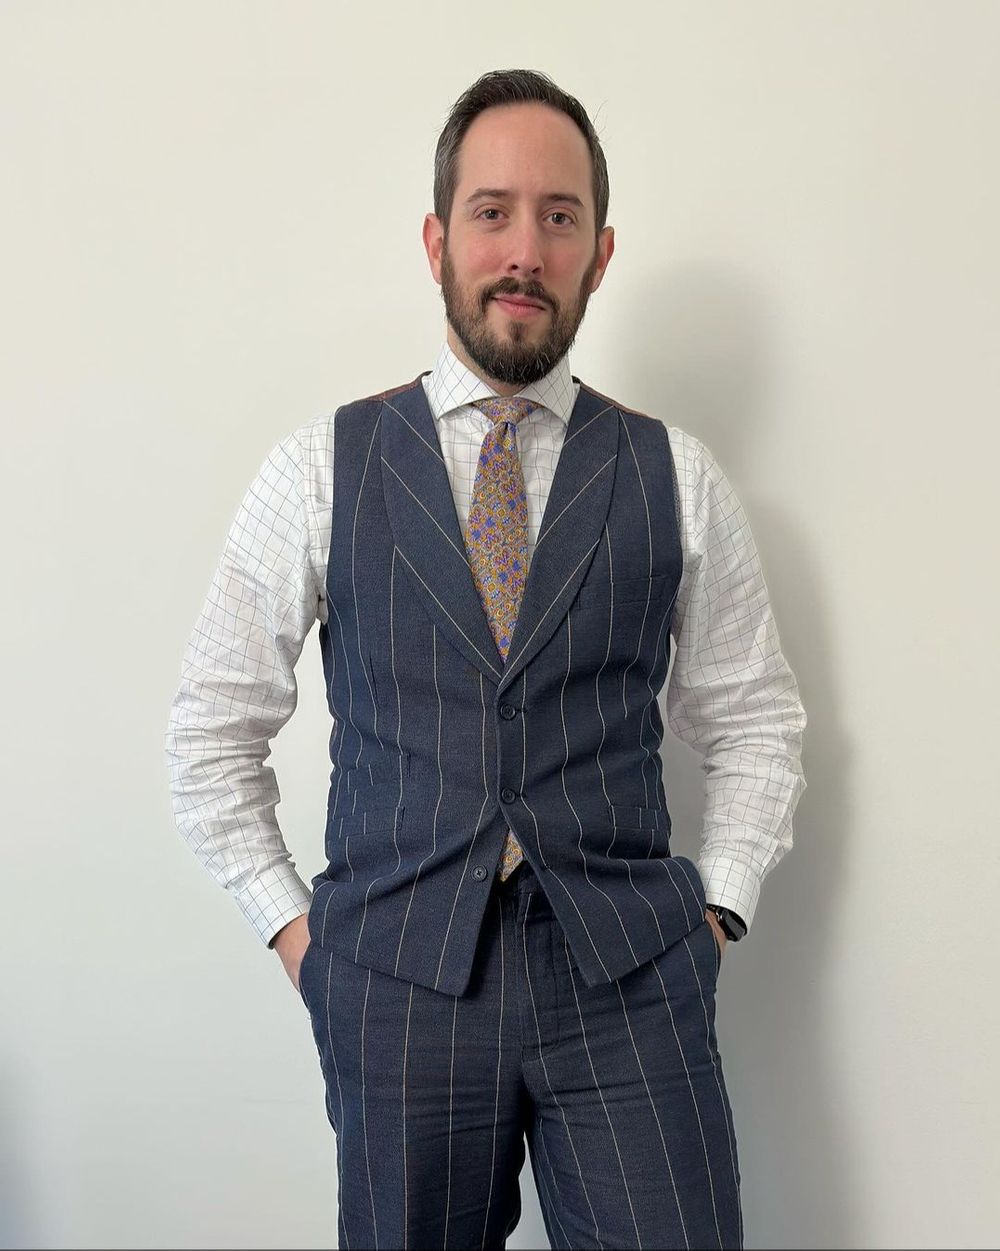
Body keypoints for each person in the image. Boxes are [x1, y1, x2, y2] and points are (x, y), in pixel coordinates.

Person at [165, 67, 807, 1251]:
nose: (524, 249)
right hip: (397, 988)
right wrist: (309, 952)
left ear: (598, 254)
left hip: (628, 984)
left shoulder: (680, 478)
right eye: (492, 211)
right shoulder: (317, 471)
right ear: (436, 239)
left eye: (558, 218)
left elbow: (757, 718)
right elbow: (209, 733)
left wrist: (715, 917)